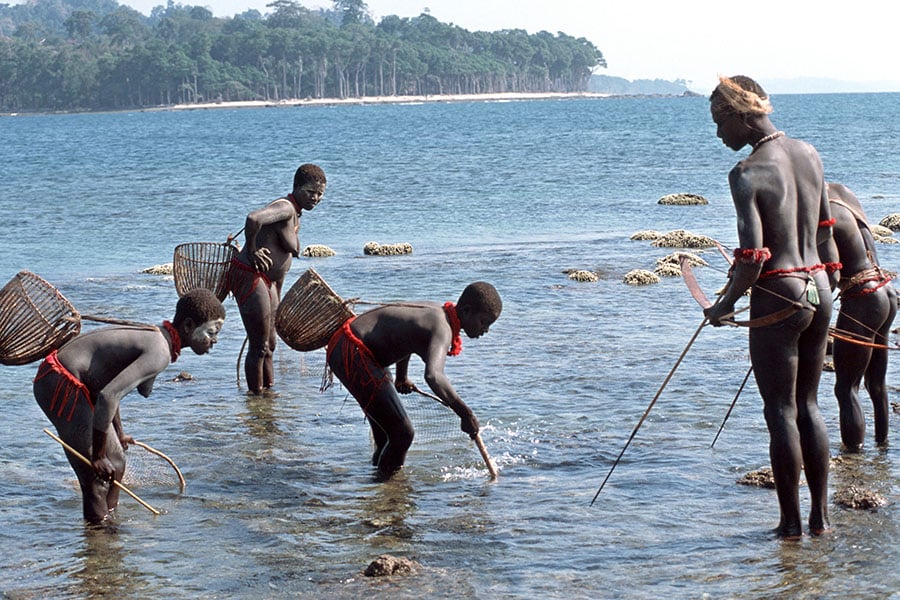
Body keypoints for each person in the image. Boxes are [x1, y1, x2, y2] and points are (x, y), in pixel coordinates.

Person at [705, 76, 837, 538]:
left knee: (779, 410)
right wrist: (827, 285)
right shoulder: (810, 154)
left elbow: (752, 257)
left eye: (719, 121)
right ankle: (821, 521)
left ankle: (790, 525)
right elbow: (824, 231)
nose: (719, 133)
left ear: (741, 115)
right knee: (809, 404)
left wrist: (723, 304)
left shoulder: (746, 173)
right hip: (819, 286)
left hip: (780, 290)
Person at [34, 288, 226, 524]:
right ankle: (99, 548)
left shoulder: (159, 339)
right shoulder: (160, 351)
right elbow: (107, 396)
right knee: (97, 478)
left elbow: (110, 386)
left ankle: (109, 532)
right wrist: (98, 455)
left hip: (77, 383)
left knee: (117, 464)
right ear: (188, 326)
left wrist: (120, 434)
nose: (214, 341)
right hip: (60, 380)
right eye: (211, 332)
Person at [325, 282, 502, 478]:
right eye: (484, 322)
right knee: (403, 434)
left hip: (353, 349)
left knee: (387, 435)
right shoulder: (442, 328)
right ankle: (390, 497)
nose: (485, 330)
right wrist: (465, 413)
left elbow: (406, 339)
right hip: (352, 351)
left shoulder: (437, 314)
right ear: (467, 311)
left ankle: (377, 490)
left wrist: (402, 377)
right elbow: (434, 376)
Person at [227, 164, 327, 394]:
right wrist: (252, 250)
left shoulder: (295, 213)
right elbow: (253, 219)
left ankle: (269, 397)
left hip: (268, 282)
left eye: (320, 194)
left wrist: (277, 295)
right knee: (259, 346)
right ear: (297, 188)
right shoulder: (285, 208)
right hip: (252, 276)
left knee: (269, 345)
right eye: (310, 192)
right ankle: (256, 399)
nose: (316, 198)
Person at [825, 182, 897, 450]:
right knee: (876, 384)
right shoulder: (845, 195)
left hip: (863, 297)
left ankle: (852, 458)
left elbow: (831, 274)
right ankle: (882, 448)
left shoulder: (823, 210)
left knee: (846, 388)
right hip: (886, 291)